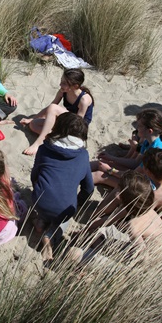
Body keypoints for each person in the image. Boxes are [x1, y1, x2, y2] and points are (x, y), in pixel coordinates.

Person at [30, 112, 94, 261]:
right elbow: (89, 188)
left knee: (47, 205)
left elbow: (35, 175)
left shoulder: (44, 149)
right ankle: (50, 234)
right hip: (65, 209)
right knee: (64, 216)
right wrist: (77, 204)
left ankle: (41, 221)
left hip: (40, 202)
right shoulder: (83, 155)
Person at [68, 171, 162, 266]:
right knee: (97, 233)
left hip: (142, 260)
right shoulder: (137, 207)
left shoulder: (133, 225)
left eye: (119, 188)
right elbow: (106, 221)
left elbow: (143, 255)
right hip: (131, 248)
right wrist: (82, 233)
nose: (117, 190)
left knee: (73, 253)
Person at [92, 108, 162, 189]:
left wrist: (110, 170)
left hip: (150, 188)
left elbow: (134, 175)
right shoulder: (149, 141)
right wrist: (112, 158)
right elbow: (135, 163)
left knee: (99, 175)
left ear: (150, 131)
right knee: (99, 163)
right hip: (143, 177)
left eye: (139, 126)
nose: (136, 128)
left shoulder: (156, 152)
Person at [21, 68, 94, 156]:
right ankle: (57, 138)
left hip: (77, 127)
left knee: (53, 108)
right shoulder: (63, 91)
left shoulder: (84, 99)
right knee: (33, 124)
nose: (60, 84)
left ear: (75, 86)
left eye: (64, 83)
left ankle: (39, 143)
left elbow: (78, 123)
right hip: (67, 121)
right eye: (61, 81)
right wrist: (32, 118)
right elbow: (50, 108)